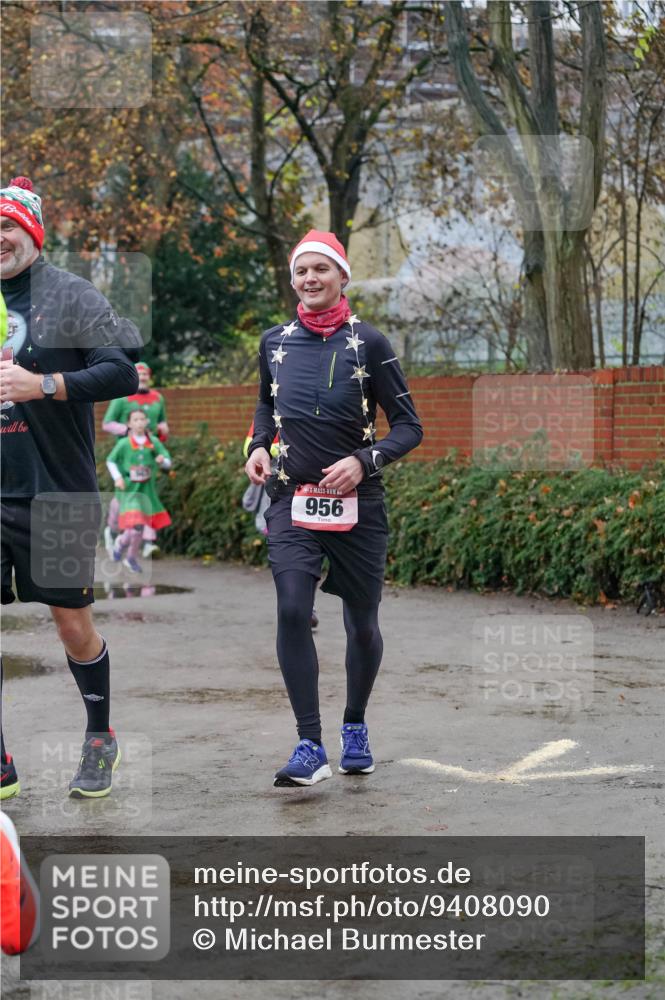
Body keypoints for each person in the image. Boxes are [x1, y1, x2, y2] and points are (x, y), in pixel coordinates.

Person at [245, 229, 423, 787]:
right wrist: (256, 446)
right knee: (293, 610)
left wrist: (363, 462)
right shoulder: (274, 342)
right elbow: (266, 406)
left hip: (357, 506)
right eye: (301, 272)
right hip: (291, 499)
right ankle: (308, 743)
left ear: (342, 277)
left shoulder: (368, 342)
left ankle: (354, 727)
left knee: (361, 624)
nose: (310, 279)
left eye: (321, 269)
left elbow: (411, 428)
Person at [0, 175, 140, 799]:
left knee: (71, 624)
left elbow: (122, 370)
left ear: (31, 232)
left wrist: (45, 385)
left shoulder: (71, 295)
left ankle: (99, 738)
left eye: (8, 227)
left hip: (57, 492)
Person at [102, 362, 169, 558]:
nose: (143, 378)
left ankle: (147, 542)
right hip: (126, 456)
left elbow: (162, 422)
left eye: (146, 375)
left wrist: (164, 429)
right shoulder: (121, 398)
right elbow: (107, 423)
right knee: (124, 499)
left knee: (146, 498)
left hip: (148, 456)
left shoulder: (158, 398)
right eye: (139, 374)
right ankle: (113, 530)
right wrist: (126, 431)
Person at [106, 407, 172, 573]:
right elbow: (110, 461)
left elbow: (168, 462)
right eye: (135, 420)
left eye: (142, 419)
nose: (139, 423)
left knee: (139, 528)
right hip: (129, 490)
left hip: (147, 491)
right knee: (136, 525)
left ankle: (127, 553)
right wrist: (118, 478)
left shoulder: (153, 442)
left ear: (146, 422)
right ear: (129, 423)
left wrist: (162, 460)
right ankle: (124, 548)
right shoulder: (124, 443)